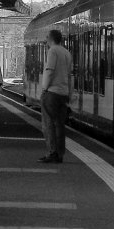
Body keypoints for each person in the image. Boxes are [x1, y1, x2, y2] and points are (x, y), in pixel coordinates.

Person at [39, 28, 72, 164]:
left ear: (51, 39)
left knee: (48, 125)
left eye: (47, 38)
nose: (46, 40)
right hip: (63, 93)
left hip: (52, 93)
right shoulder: (66, 52)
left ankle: (52, 152)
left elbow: (50, 71)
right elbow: (69, 75)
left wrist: (44, 88)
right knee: (60, 125)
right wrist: (70, 92)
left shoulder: (52, 51)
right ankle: (60, 154)